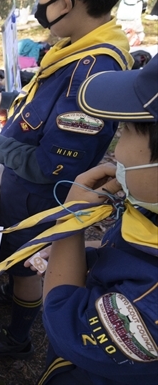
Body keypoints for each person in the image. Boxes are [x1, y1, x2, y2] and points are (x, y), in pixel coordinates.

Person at [0, 0, 134, 359]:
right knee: (15, 253)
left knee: (28, 263)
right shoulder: (81, 48)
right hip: (24, 192)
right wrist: (7, 99)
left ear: (66, 1)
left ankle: (17, 339)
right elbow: (47, 99)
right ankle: (13, 294)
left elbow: (50, 166)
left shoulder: (93, 69)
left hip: (39, 198)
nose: (40, 7)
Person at [24, 55, 158, 383]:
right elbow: (129, 255)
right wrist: (75, 254)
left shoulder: (151, 309)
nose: (117, 151)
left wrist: (70, 223)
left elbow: (64, 317)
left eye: (125, 132)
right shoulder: (148, 211)